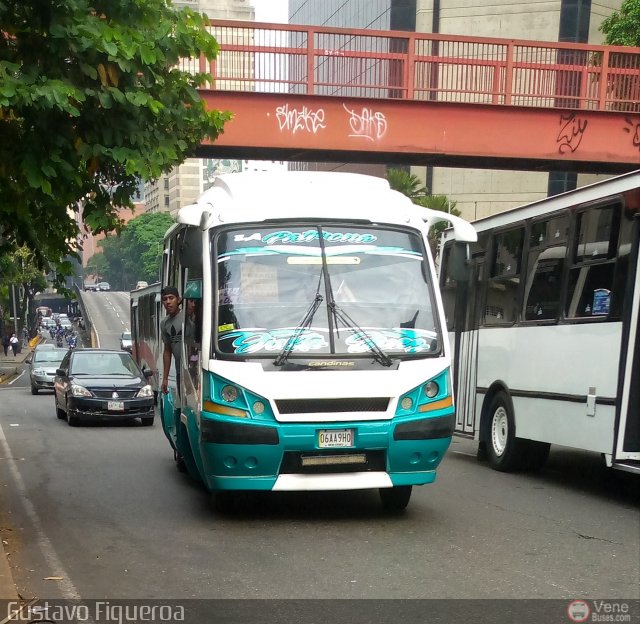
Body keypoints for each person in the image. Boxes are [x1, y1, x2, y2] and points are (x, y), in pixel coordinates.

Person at [160, 286, 184, 395]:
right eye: (165, 299)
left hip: (192, 372)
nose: (168, 302)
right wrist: (165, 379)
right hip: (179, 373)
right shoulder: (164, 324)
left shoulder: (187, 317)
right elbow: (167, 351)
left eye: (171, 298)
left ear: (178, 300)